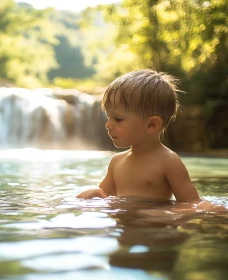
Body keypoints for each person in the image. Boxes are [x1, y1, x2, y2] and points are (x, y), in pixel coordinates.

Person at [77, 69, 220, 210]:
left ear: (151, 125)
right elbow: (104, 196)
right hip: (125, 231)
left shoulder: (168, 162)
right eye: (109, 117)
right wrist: (93, 194)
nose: (108, 125)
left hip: (155, 230)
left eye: (118, 119)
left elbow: (191, 203)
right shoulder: (116, 162)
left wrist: (204, 209)